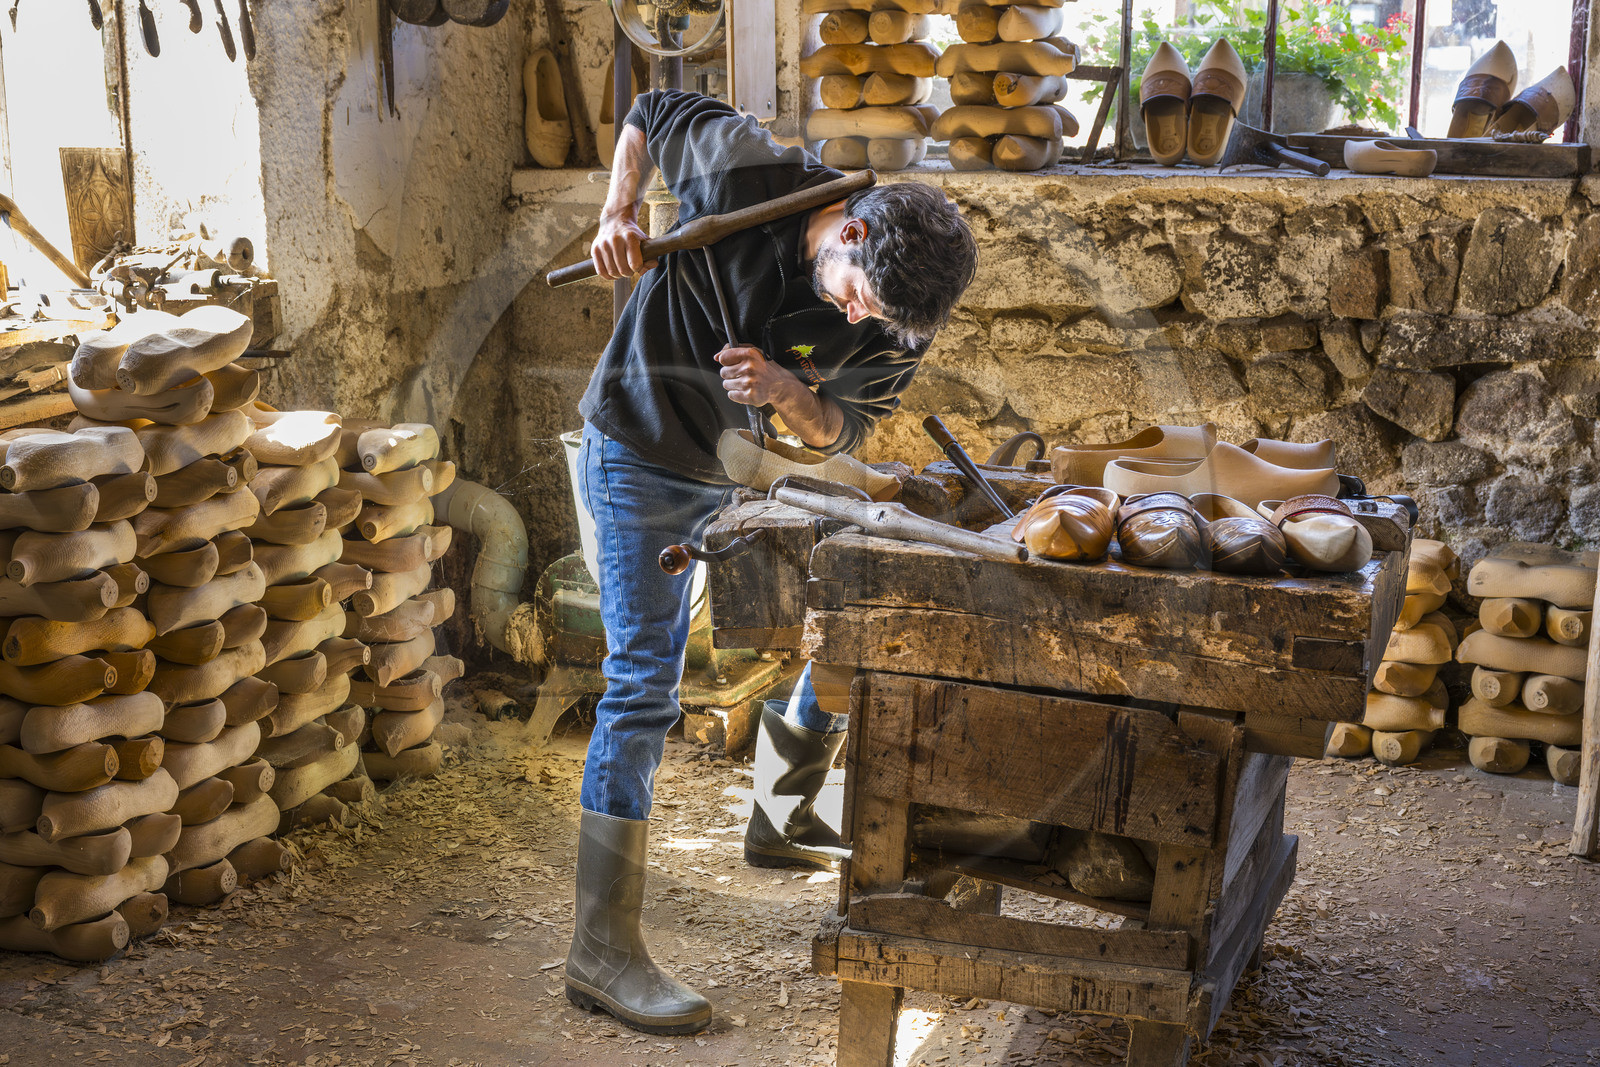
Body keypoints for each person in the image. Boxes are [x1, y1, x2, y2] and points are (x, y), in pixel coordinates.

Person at [565, 88, 977, 1037]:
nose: (861, 318)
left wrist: (792, 393)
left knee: (851, 607)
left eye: (877, 315)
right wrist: (618, 211)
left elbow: (845, 425)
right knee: (643, 684)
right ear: (851, 229)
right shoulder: (747, 170)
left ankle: (783, 818)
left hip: (752, 464)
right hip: (644, 446)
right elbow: (649, 107)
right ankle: (600, 950)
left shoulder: (898, 311)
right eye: (857, 294)